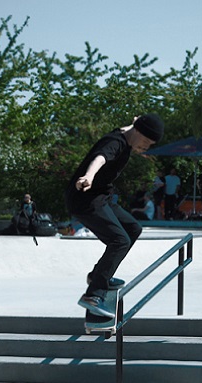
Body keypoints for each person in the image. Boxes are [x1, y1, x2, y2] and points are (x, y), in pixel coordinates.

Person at [65, 113, 163, 317]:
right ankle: (93, 295)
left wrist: (137, 121)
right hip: (85, 199)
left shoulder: (129, 132)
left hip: (102, 197)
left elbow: (135, 124)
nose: (144, 148)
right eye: (145, 142)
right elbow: (99, 158)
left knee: (133, 228)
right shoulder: (115, 143)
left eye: (149, 145)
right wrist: (89, 176)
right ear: (137, 132)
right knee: (120, 240)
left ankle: (98, 276)